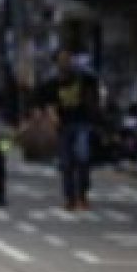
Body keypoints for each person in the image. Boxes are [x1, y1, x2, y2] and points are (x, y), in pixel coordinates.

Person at [36, 46, 101, 211]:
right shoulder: (52, 82)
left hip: (82, 123)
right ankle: (70, 197)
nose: (65, 62)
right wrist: (52, 116)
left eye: (68, 58)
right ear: (57, 62)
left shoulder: (83, 77)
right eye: (62, 59)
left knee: (83, 157)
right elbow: (46, 102)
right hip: (63, 126)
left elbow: (95, 91)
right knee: (66, 163)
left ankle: (82, 194)